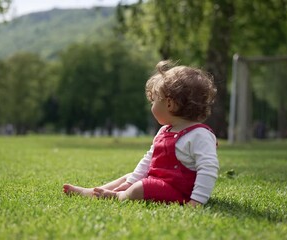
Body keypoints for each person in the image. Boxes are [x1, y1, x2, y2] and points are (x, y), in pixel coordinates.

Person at [63, 60, 219, 207]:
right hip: (159, 181)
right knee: (130, 176)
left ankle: (117, 196)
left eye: (154, 101)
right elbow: (149, 159)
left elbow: (208, 169)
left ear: (170, 104)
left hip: (179, 191)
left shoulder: (199, 135)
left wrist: (196, 201)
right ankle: (95, 191)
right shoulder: (165, 131)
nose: (152, 106)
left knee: (143, 186)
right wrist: (130, 182)